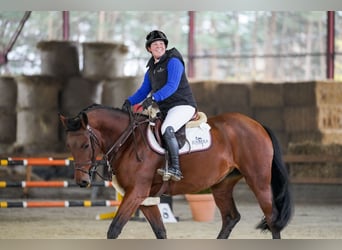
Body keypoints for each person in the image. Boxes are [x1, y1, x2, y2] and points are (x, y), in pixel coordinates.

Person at [122, 30, 197, 181]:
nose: (159, 46)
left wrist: (153, 99)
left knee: (166, 128)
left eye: (161, 44)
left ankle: (175, 168)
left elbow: (172, 86)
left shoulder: (173, 61)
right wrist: (130, 101)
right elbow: (143, 90)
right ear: (149, 49)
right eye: (155, 44)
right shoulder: (151, 70)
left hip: (182, 105)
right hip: (166, 109)